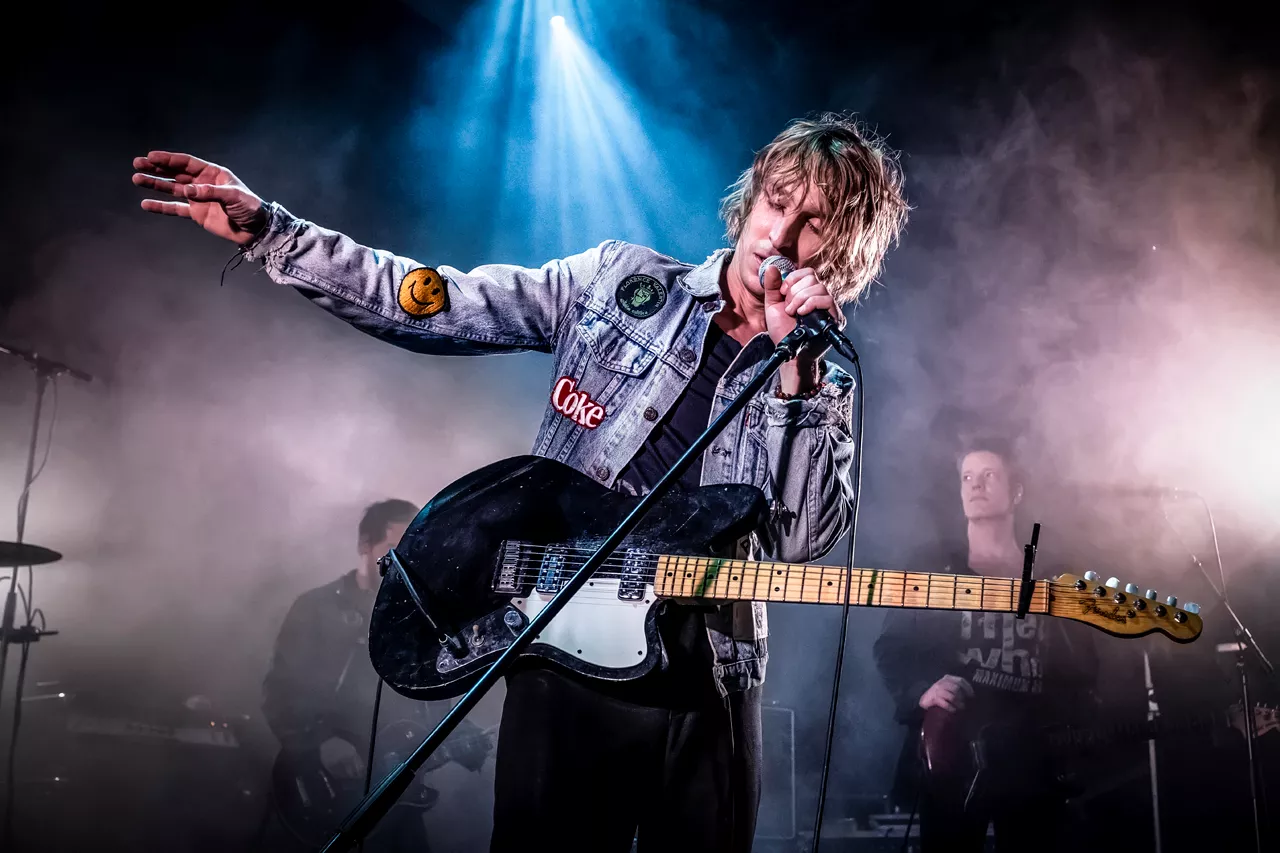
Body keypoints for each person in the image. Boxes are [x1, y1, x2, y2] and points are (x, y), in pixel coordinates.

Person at [133, 111, 909, 852]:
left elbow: (802, 541)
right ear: (752, 197)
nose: (781, 234)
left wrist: (797, 377)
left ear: (843, 254)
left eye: (814, 224)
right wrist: (273, 232)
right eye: (776, 201)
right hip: (566, 645)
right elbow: (439, 302)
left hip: (710, 671)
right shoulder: (619, 282)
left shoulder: (822, 382)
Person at [873, 436, 1100, 852]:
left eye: (989, 475)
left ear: (1016, 491)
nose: (975, 485)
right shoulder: (932, 566)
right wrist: (922, 690)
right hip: (954, 756)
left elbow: (1082, 667)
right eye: (967, 477)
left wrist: (1069, 732)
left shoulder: (1052, 574)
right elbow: (891, 646)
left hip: (1033, 758)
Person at [260, 499, 490, 851]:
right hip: (322, 787)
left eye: (414, 550)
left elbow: (428, 698)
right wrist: (319, 742)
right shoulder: (317, 608)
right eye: (394, 549)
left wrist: (465, 739)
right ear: (364, 545)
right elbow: (281, 689)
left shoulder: (421, 618)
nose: (407, 560)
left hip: (397, 800)